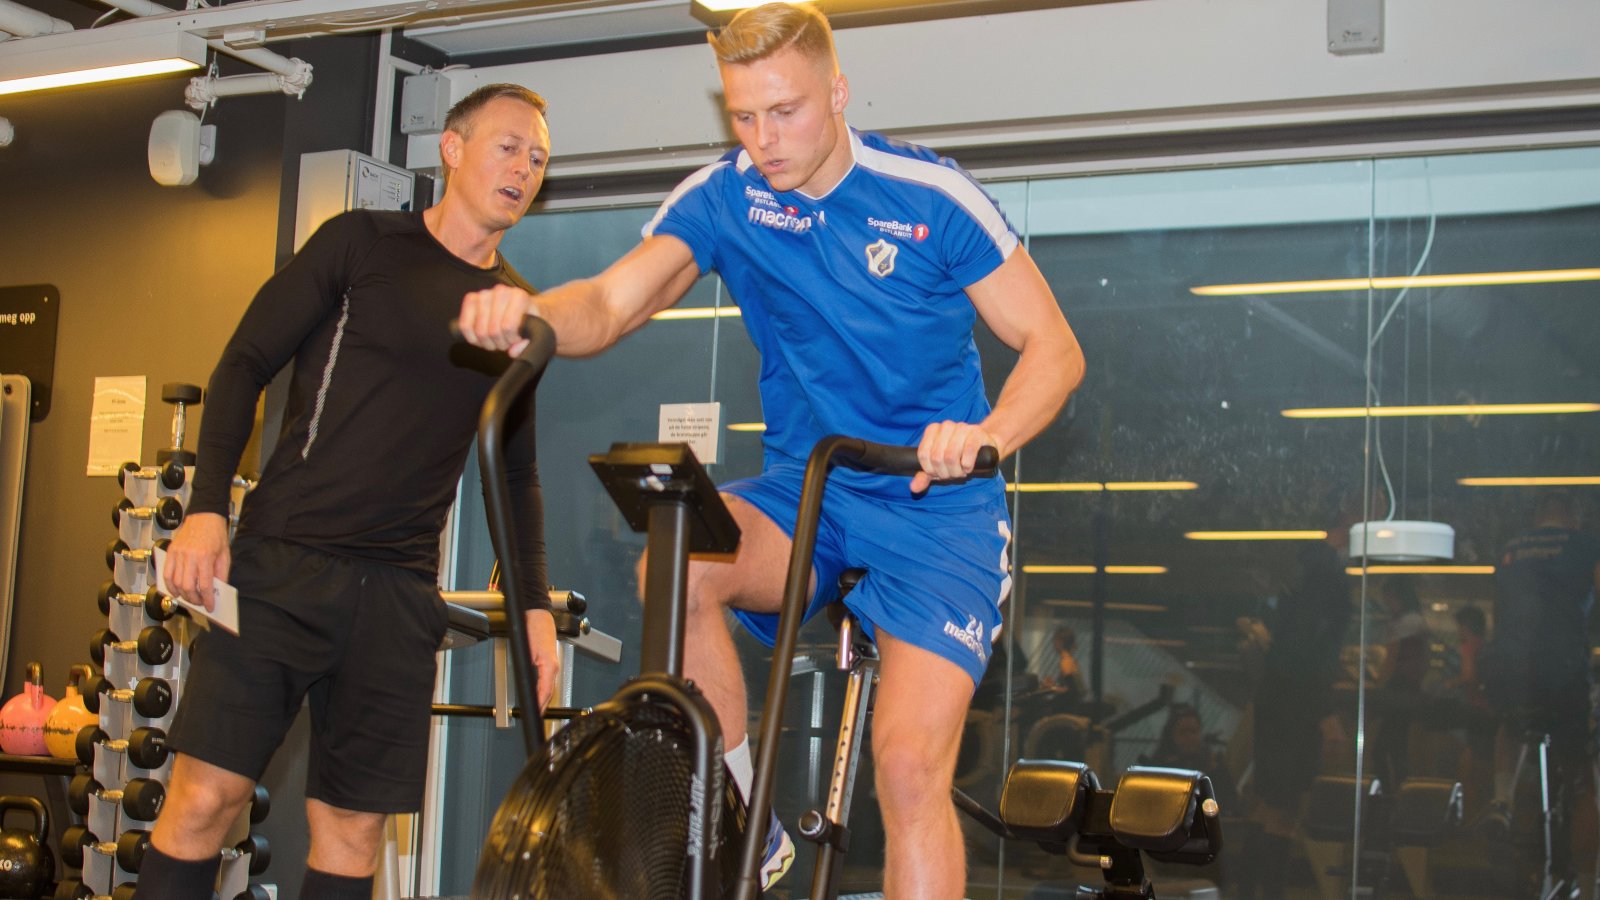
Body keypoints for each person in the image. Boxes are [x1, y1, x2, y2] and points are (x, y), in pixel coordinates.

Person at [459, 4, 1084, 894]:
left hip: (935, 506)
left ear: (838, 94)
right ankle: (745, 824)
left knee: (908, 769)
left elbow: (1055, 349)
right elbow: (610, 302)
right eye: (744, 116)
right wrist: (533, 313)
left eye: (784, 112)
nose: (763, 140)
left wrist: (986, 437)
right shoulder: (726, 196)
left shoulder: (930, 197)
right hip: (809, 493)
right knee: (677, 567)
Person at [145, 84, 559, 900]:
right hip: (282, 565)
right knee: (204, 800)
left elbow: (516, 473)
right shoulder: (361, 243)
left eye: (539, 159)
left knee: (353, 832)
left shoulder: (518, 314)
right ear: (451, 148)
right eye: (509, 146)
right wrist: (206, 508)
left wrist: (535, 605)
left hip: (398, 596)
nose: (524, 168)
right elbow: (243, 363)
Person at [1479, 493, 1600, 887]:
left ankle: (1502, 800)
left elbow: (1499, 608)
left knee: (1511, 725)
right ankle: (1587, 875)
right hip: (1563, 668)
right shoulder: (1586, 545)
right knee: (1584, 765)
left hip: (1512, 667)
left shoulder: (1512, 547)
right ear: (1573, 517)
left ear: (1536, 517)